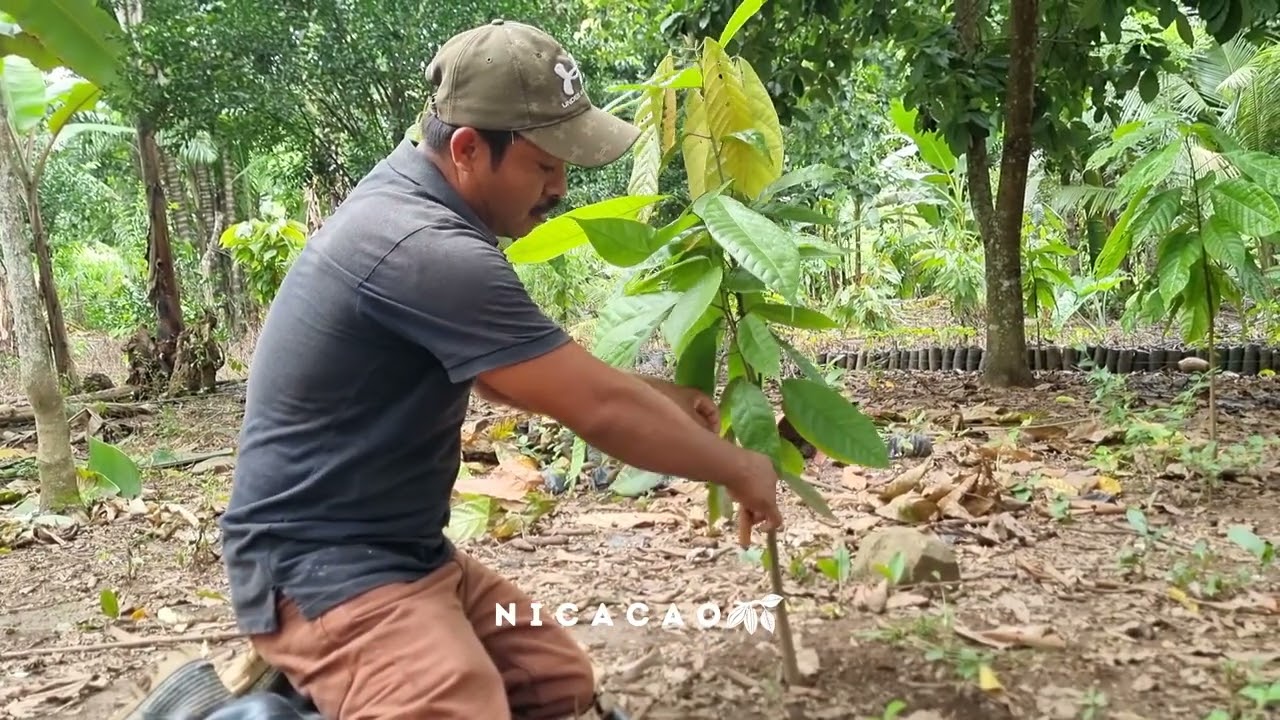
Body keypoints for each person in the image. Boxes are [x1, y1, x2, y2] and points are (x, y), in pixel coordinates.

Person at [217, 18, 784, 720]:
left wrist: (657, 396)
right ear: (466, 150)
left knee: (553, 683)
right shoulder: (424, 245)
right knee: (459, 704)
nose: (560, 187)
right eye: (544, 167)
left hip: (402, 550)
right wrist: (736, 467)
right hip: (319, 563)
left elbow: (502, 374)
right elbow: (598, 410)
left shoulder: (415, 201)